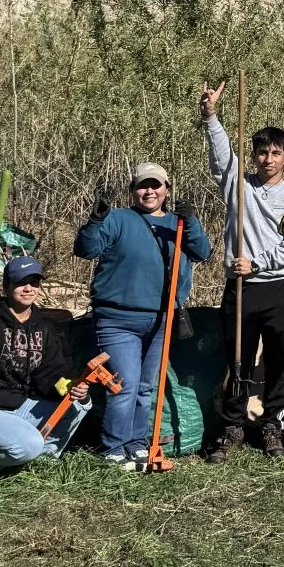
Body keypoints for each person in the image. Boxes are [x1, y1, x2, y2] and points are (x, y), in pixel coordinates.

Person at [202, 82, 284, 458]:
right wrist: (211, 117)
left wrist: (259, 263)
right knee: (238, 359)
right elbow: (222, 156)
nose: (268, 159)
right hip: (240, 288)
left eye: (276, 153)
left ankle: (271, 427)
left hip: (278, 287)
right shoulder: (239, 185)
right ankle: (232, 426)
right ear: (253, 155)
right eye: (262, 152)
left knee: (278, 360)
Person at [74, 162, 211, 464]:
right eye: (142, 185)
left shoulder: (178, 223)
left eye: (156, 185)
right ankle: (113, 449)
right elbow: (86, 249)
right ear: (133, 190)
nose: (149, 191)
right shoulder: (118, 219)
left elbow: (203, 252)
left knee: (146, 387)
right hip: (117, 319)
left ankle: (136, 443)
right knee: (124, 385)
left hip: (161, 318)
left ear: (166, 190)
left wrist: (191, 222)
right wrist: (95, 220)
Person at [0, 256, 89, 470]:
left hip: (17, 407)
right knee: (29, 444)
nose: (28, 288)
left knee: (76, 405)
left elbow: (50, 375)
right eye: (21, 283)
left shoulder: (44, 327)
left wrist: (69, 387)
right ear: (6, 286)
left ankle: (38, 463)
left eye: (34, 282)